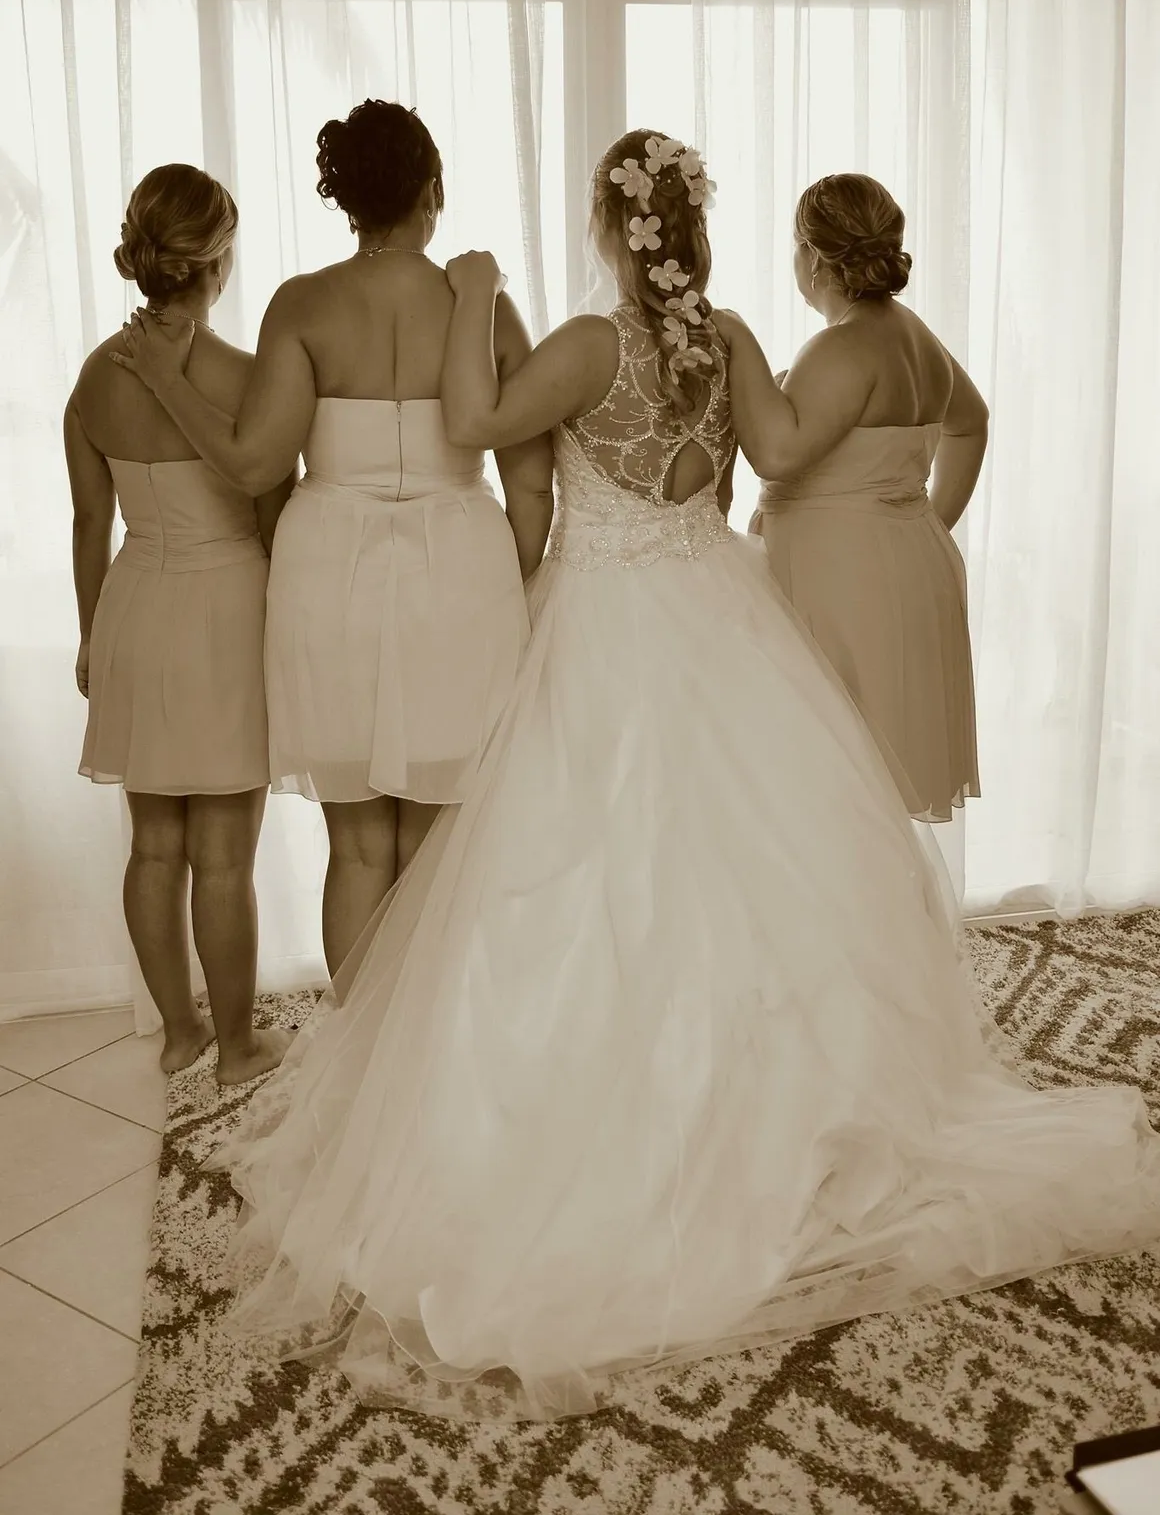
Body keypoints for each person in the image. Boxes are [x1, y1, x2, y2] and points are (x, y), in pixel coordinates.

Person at [203, 130, 1160, 1425]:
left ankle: (577, 1131)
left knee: (576, 868)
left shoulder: (591, 346)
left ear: (612, 232)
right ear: (687, 231)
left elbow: (483, 426)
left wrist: (479, 294)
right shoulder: (731, 340)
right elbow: (772, 453)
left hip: (603, 621)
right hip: (713, 613)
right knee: (737, 864)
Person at [111, 101, 552, 975]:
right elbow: (532, 482)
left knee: (354, 848)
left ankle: (352, 1068)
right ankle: (423, 1065)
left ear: (345, 202)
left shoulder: (303, 304)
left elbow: (250, 463)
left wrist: (167, 379)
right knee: (433, 846)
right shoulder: (484, 308)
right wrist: (519, 583)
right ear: (434, 190)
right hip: (461, 574)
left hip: (328, 578)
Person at [65, 164, 293, 1084]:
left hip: (133, 609)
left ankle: (178, 1031)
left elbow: (90, 522)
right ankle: (238, 1048)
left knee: (153, 844)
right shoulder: (244, 379)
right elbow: (275, 519)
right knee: (224, 856)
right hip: (227, 607)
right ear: (218, 262)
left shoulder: (94, 376)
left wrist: (90, 634)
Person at [748, 174, 986, 820]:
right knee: (865, 774)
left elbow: (775, 454)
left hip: (841, 572)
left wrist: (740, 351)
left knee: (827, 772)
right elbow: (971, 421)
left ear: (811, 254)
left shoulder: (841, 345)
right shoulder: (911, 333)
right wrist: (927, 520)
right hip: (901, 558)